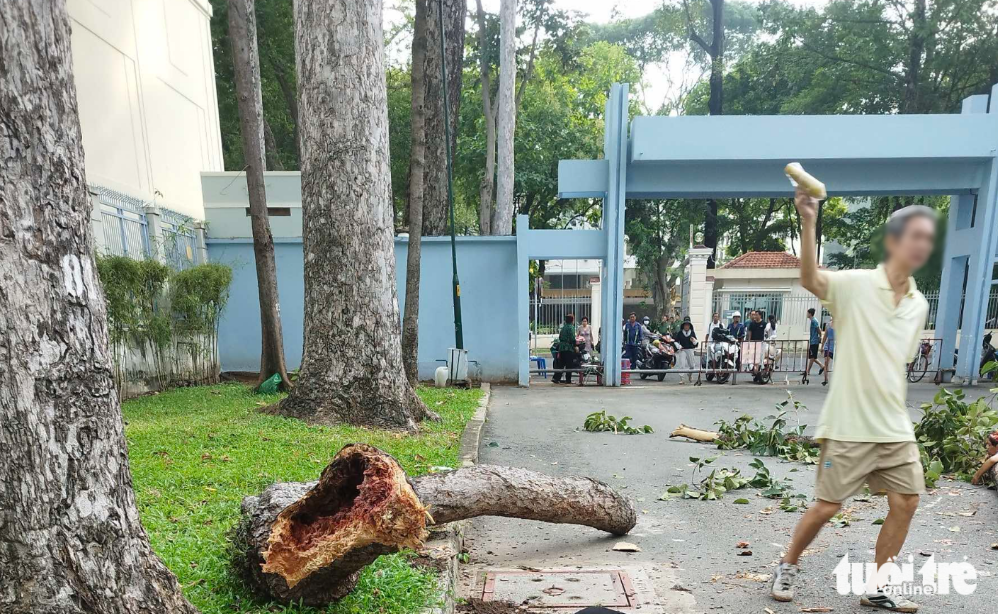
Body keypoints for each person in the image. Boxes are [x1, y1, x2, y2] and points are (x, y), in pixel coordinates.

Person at [770, 187, 936, 612]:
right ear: (894, 241)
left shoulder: (918, 305)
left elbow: (897, 362)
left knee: (907, 501)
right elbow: (810, 279)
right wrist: (808, 220)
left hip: (894, 425)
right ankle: (787, 564)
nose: (922, 245)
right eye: (915, 236)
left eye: (928, 238)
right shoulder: (857, 285)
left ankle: (880, 585)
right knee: (827, 507)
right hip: (848, 424)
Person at [552, 314, 578, 384]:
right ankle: (568, 380)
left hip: (562, 347)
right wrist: (575, 346)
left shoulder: (563, 328)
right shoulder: (571, 327)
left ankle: (556, 378)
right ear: (572, 320)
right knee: (569, 365)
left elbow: (560, 337)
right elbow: (572, 338)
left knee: (561, 364)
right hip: (568, 348)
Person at [674, 318, 698, 384]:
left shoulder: (692, 332)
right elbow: (676, 342)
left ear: (690, 326)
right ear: (683, 326)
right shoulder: (680, 333)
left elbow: (696, 343)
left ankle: (690, 374)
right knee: (682, 364)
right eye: (685, 325)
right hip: (683, 350)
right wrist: (679, 346)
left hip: (690, 349)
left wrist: (693, 340)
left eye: (688, 325)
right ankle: (682, 379)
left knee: (692, 365)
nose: (686, 326)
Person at [745, 310, 767, 381]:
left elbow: (766, 333)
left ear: (760, 315)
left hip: (761, 343)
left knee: (759, 359)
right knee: (752, 358)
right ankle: (754, 372)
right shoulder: (752, 323)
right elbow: (750, 332)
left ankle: (759, 373)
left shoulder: (764, 324)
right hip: (753, 343)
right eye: (754, 315)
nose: (755, 316)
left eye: (756, 315)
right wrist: (749, 341)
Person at [803, 307, 822, 381]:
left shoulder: (814, 321)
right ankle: (822, 366)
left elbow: (818, 329)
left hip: (814, 341)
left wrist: (820, 336)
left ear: (810, 314)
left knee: (812, 357)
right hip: (813, 341)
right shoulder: (813, 321)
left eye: (807, 313)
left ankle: (807, 371)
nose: (807, 314)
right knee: (812, 357)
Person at [821, 317, 836, 386]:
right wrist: (822, 346)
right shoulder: (828, 325)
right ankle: (825, 379)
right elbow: (825, 336)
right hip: (828, 345)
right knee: (826, 362)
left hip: (835, 346)